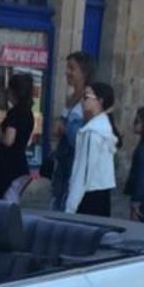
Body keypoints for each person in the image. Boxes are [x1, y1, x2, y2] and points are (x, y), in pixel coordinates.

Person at [63, 79, 118, 217]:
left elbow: (83, 171)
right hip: (101, 192)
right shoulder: (104, 127)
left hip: (89, 196)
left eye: (87, 97)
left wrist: (70, 207)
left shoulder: (92, 132)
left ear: (100, 101)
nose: (83, 101)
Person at [48, 50, 93, 211]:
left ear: (84, 72)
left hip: (74, 161)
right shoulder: (71, 97)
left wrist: (65, 128)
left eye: (72, 68)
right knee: (57, 199)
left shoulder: (88, 101)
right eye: (67, 67)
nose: (67, 72)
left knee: (67, 204)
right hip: (63, 158)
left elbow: (83, 137)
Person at [0, 72, 36, 199]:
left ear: (13, 92)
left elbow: (9, 140)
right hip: (20, 166)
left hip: (8, 168)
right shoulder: (29, 113)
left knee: (4, 206)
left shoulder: (15, 113)